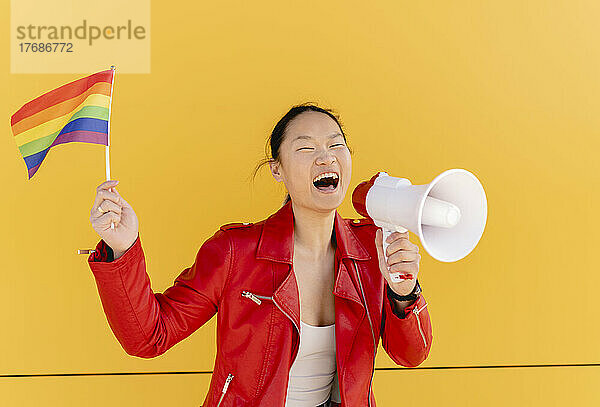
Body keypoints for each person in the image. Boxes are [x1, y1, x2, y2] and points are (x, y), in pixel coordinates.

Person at [87, 103, 433, 407]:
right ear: (277, 169)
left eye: (335, 144)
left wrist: (404, 294)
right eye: (306, 147)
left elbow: (412, 355)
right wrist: (123, 247)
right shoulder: (235, 252)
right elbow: (150, 336)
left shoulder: (372, 251)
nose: (326, 156)